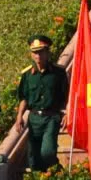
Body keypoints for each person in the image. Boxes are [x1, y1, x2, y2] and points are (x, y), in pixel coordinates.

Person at [12, 36, 69, 172]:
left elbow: (67, 96)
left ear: (48, 52)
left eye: (41, 51)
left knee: (48, 151)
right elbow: (24, 98)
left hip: (51, 117)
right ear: (31, 54)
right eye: (35, 52)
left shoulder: (58, 73)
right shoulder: (27, 75)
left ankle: (56, 171)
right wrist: (19, 116)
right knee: (33, 158)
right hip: (34, 118)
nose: (38, 55)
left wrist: (67, 113)